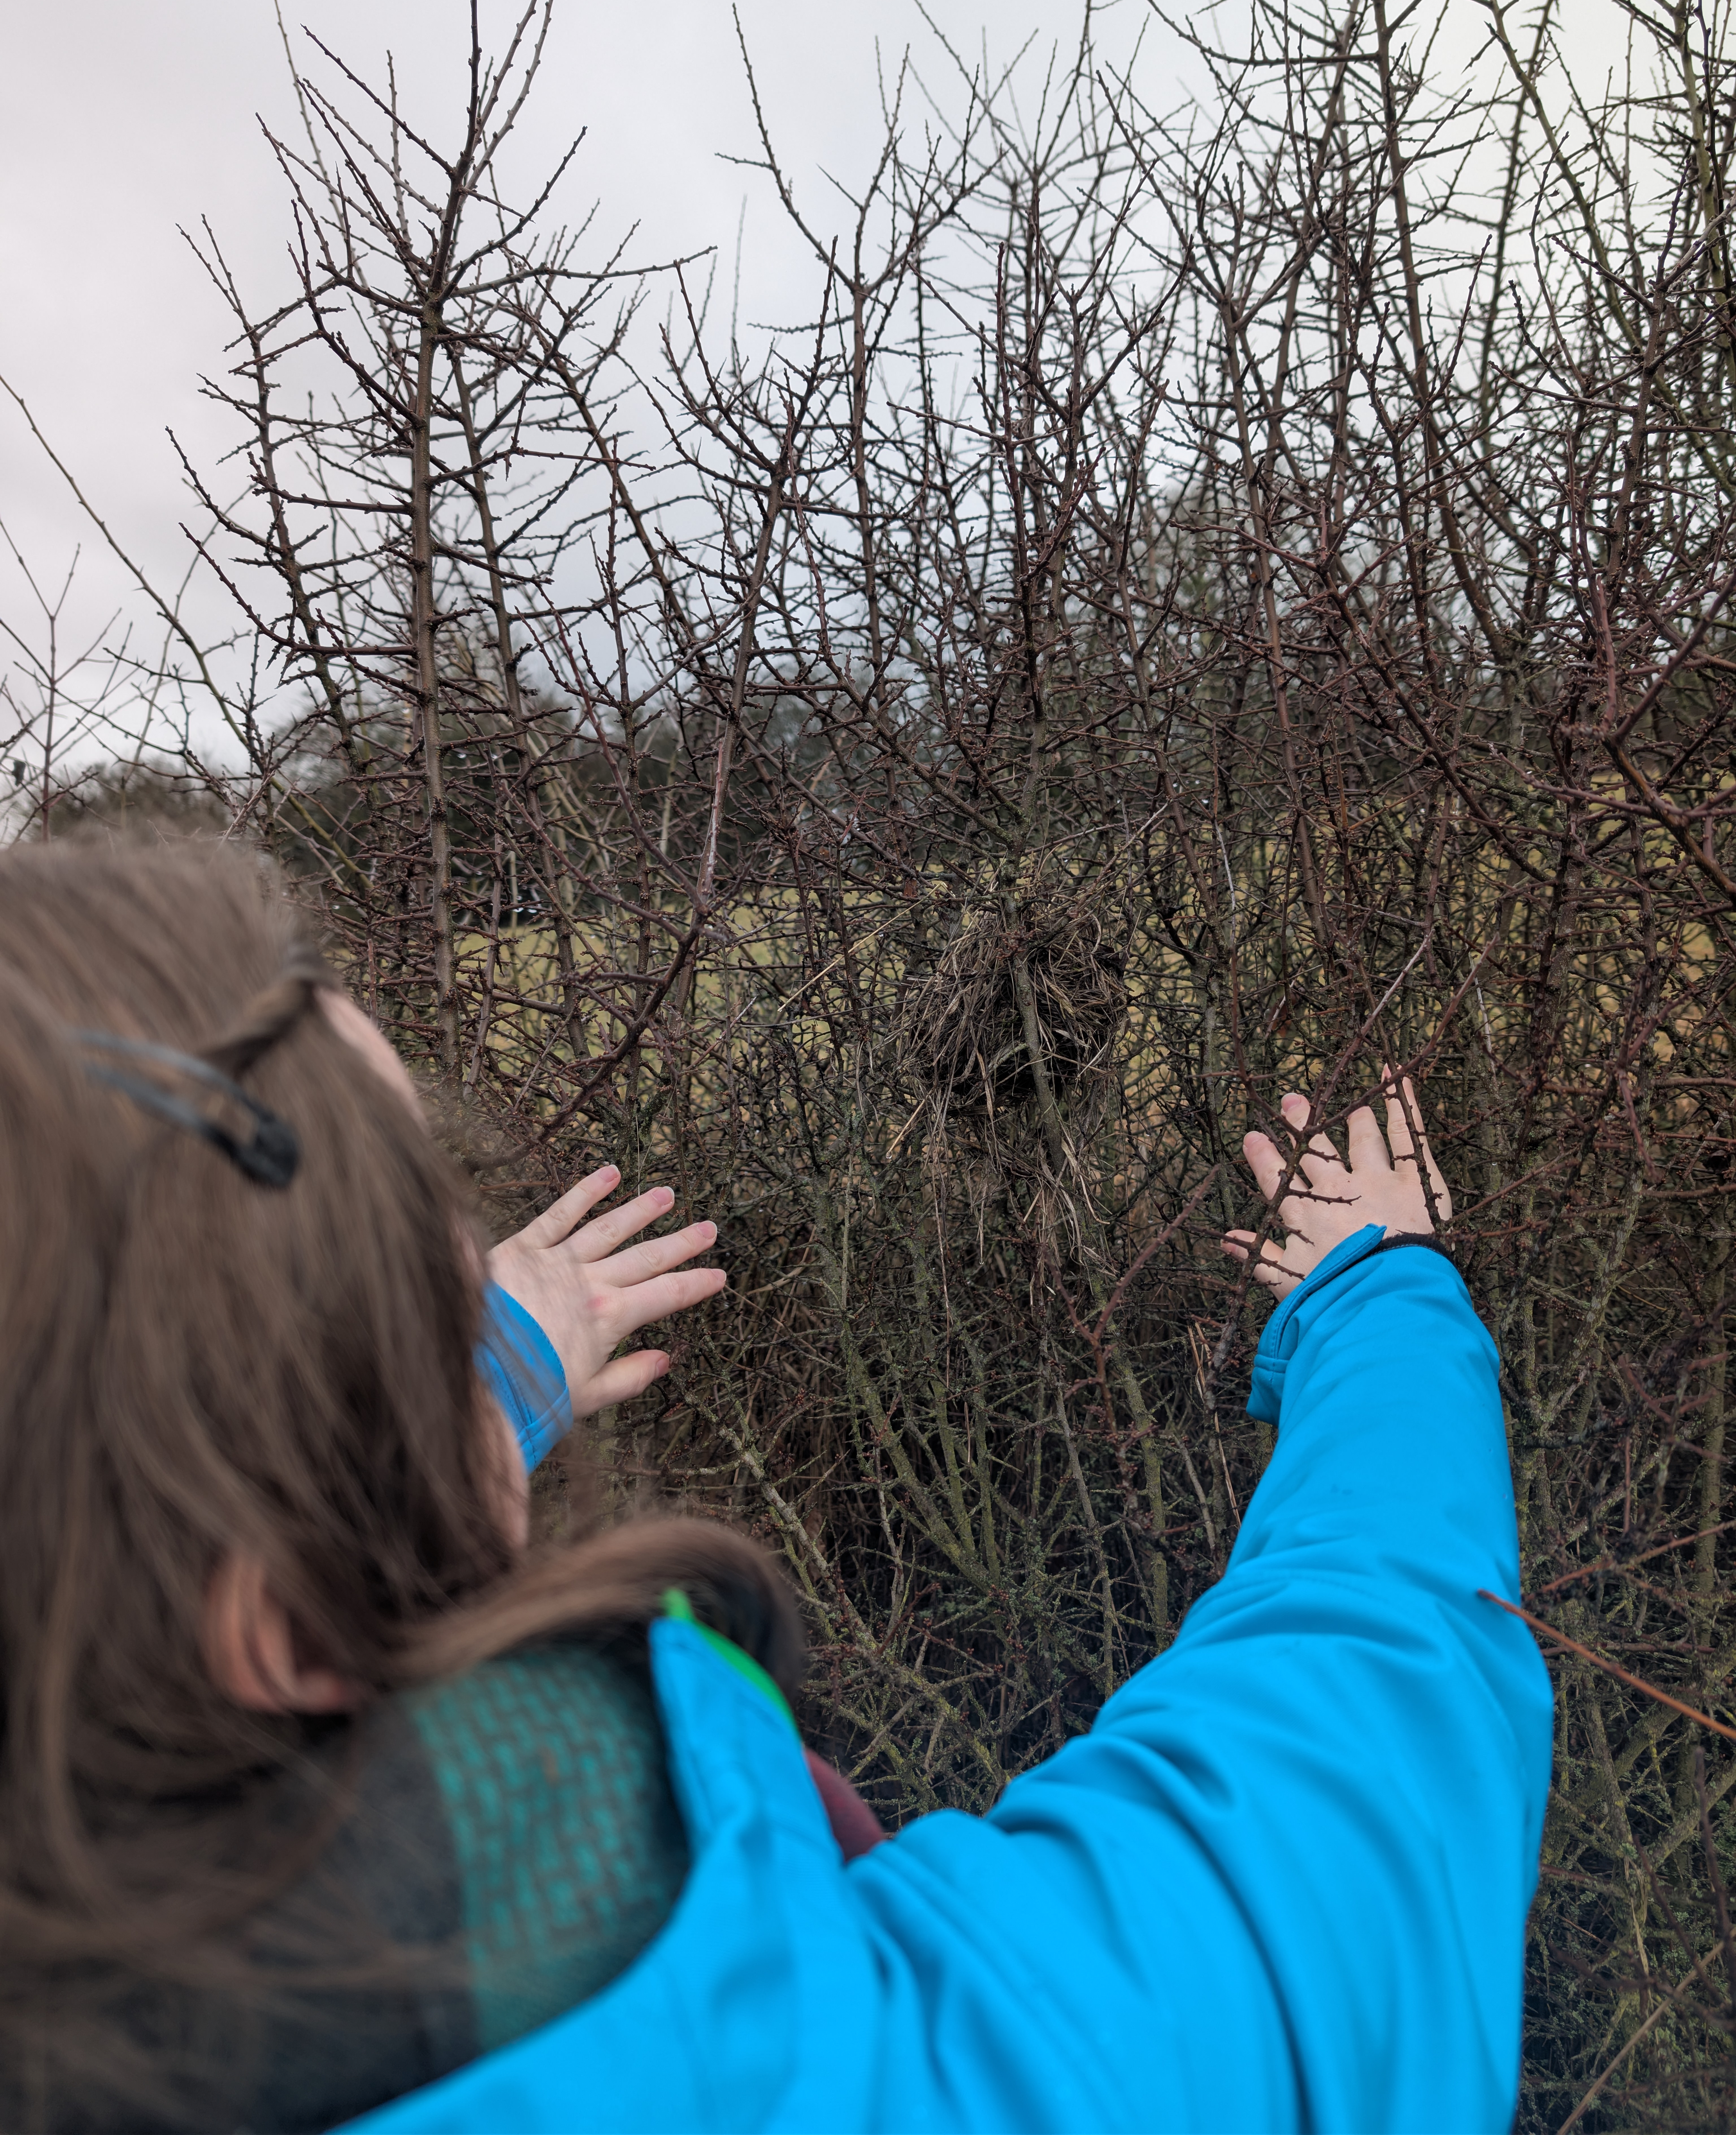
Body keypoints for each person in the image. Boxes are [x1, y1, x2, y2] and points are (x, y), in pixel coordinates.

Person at [0, 836, 1553, 2135]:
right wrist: (1380, 1294)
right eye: (427, 1288)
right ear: (272, 1601)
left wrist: (479, 1392)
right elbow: (1355, 1731)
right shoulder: (771, 2050)